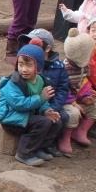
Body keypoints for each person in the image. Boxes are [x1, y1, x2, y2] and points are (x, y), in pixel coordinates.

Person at [0, 39, 62, 166]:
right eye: (21, 64)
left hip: (27, 115)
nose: (24, 69)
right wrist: (41, 98)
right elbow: (18, 104)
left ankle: (38, 148)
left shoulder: (41, 81)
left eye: (29, 65)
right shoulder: (14, 82)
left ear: (38, 66)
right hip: (11, 117)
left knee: (55, 121)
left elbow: (44, 101)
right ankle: (24, 153)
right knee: (42, 122)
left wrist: (45, 110)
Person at [19, 29, 69, 157]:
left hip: (49, 104)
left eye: (35, 44)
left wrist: (53, 108)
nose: (30, 47)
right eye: (28, 43)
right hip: (32, 105)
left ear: (47, 48)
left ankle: (49, 144)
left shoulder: (58, 66)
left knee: (61, 116)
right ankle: (37, 147)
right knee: (43, 121)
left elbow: (63, 89)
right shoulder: (26, 65)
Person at [60, 28, 96, 153]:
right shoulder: (64, 69)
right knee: (73, 113)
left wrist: (86, 96)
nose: (93, 53)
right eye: (90, 51)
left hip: (76, 101)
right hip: (65, 103)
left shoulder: (83, 67)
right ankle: (65, 137)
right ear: (82, 54)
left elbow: (81, 86)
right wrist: (73, 103)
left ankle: (80, 131)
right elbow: (61, 91)